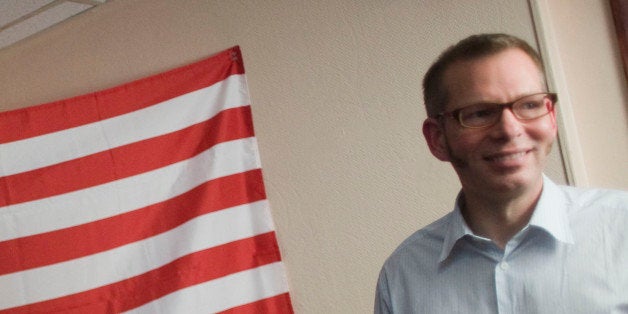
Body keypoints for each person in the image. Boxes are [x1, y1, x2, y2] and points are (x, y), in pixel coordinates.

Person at [374, 33, 628, 313]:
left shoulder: (620, 229)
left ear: (552, 117)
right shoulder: (403, 275)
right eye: (480, 113)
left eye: (529, 105)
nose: (509, 129)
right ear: (437, 138)